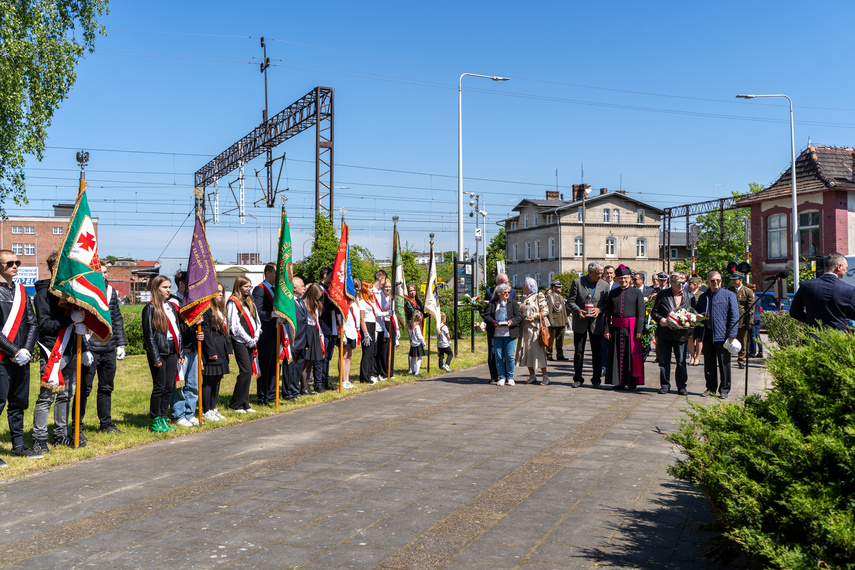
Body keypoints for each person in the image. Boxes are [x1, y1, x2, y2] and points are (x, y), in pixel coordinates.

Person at [34, 250, 90, 449]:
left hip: (71, 348)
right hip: (53, 351)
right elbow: (45, 325)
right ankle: (39, 439)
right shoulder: (43, 295)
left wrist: (83, 342)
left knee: (66, 395)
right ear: (53, 269)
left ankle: (60, 434)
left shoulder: (71, 293)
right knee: (47, 396)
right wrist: (69, 320)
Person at [0, 249, 39, 465]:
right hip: (2, 359)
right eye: (9, 263)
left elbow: (32, 323)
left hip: (22, 358)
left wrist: (26, 350)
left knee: (19, 403)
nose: (15, 266)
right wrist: (14, 351)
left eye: (18, 262)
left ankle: (18, 446)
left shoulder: (23, 292)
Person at [78, 267, 126, 433]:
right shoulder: (85, 290)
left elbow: (116, 318)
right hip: (90, 348)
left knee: (106, 387)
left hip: (109, 347)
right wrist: (84, 348)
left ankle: (106, 424)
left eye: (105, 272)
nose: (103, 275)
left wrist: (121, 343)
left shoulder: (111, 291)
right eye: (100, 272)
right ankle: (77, 425)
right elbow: (80, 321)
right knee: (85, 389)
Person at [142, 275, 183, 432]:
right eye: (164, 287)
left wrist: (180, 353)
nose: (168, 290)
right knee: (159, 386)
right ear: (156, 288)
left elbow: (177, 331)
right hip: (159, 350)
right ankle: (155, 419)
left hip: (172, 349)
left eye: (169, 287)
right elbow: (148, 335)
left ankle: (164, 418)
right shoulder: (150, 308)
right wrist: (155, 356)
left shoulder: (171, 307)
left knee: (169, 386)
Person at [695, 271, 739, 399]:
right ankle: (710, 388)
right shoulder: (703, 297)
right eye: (713, 281)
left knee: (724, 363)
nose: (716, 283)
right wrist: (698, 334)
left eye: (718, 280)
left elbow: (734, 316)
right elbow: (698, 316)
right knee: (709, 363)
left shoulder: (729, 295)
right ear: (708, 282)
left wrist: (732, 334)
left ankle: (724, 389)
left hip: (722, 335)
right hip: (707, 333)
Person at [567, 261, 610, 388]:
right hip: (580, 322)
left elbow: (607, 303)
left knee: (597, 352)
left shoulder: (604, 285)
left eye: (601, 273)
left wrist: (600, 309)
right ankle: (578, 378)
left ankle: (596, 379)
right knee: (579, 352)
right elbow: (570, 301)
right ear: (590, 273)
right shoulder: (577, 282)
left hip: (596, 323)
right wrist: (577, 310)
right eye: (597, 274)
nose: (600, 276)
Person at [603, 266, 646, 390]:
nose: (623, 281)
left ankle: (632, 382)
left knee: (631, 356)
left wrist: (639, 330)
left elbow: (641, 313)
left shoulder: (636, 292)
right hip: (616, 329)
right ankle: (618, 382)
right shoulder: (613, 293)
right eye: (621, 278)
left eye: (625, 278)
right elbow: (608, 314)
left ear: (630, 279)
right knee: (616, 355)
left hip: (631, 329)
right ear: (617, 279)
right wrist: (606, 329)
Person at [169, 271, 202, 427]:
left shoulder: (192, 303)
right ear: (181, 284)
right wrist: (192, 320)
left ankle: (190, 412)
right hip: (181, 349)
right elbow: (176, 328)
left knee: (193, 383)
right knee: (180, 384)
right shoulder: (173, 303)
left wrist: (198, 333)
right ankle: (179, 413)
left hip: (193, 347)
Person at [791, 252, 855, 332]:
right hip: (837, 339)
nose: (846, 271)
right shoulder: (849, 290)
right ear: (839, 267)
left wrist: (811, 322)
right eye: (846, 267)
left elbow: (794, 312)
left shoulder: (806, 285)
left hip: (812, 337)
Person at [651, 272, 692, 395]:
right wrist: (660, 319)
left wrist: (689, 321)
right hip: (665, 333)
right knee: (664, 360)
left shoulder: (689, 295)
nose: (681, 285)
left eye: (683, 283)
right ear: (671, 283)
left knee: (681, 361)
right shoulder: (663, 294)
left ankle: (681, 386)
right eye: (678, 283)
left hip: (681, 334)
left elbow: (693, 313)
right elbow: (654, 312)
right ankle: (665, 385)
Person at [227, 276, 261, 413]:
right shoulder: (232, 302)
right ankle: (235, 404)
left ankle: (245, 403)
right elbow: (234, 326)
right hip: (240, 341)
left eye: (250, 286)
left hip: (252, 340)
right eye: (246, 286)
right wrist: (248, 339)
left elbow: (257, 320)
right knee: (245, 371)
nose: (248, 289)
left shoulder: (250, 300)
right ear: (239, 286)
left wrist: (257, 335)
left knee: (249, 372)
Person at [200, 283, 231, 421]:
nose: (220, 294)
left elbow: (226, 332)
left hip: (221, 348)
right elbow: (205, 331)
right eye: (217, 292)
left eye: (222, 292)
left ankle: (213, 407)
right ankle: (206, 410)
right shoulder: (207, 309)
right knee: (209, 380)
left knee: (218, 379)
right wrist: (210, 350)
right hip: (212, 348)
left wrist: (228, 348)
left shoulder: (221, 309)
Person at [483, 284, 522, 386]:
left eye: (508, 292)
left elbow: (518, 316)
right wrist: (493, 322)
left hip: (510, 333)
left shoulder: (512, 303)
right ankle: (501, 377)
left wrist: (511, 322)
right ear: (499, 293)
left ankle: (510, 377)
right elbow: (486, 316)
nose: (507, 294)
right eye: (505, 292)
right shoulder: (492, 303)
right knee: (498, 356)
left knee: (509, 356)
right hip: (497, 334)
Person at [252, 263, 279, 406]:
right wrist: (273, 314)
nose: (278, 276)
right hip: (265, 335)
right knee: (265, 366)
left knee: (275, 366)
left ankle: (272, 395)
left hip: (276, 333)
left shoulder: (277, 290)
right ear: (268, 273)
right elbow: (257, 312)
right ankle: (262, 397)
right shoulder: (260, 290)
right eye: (275, 273)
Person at [516, 277, 549, 385]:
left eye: (524, 284)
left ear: (529, 286)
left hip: (535, 328)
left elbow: (545, 311)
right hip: (525, 328)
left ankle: (545, 377)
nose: (522, 286)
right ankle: (532, 376)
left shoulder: (538, 296)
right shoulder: (524, 298)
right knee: (526, 352)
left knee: (537, 353)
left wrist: (534, 316)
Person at [314, 267, 338, 391]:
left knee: (328, 357)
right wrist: (334, 304)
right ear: (324, 275)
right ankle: (318, 382)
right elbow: (320, 310)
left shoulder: (331, 290)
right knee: (321, 357)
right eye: (330, 275)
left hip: (332, 327)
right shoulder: (318, 290)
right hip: (323, 327)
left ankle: (326, 381)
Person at [300, 283, 326, 394]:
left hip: (314, 330)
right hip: (307, 330)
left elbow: (317, 321)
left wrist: (320, 335)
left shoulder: (315, 304)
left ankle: (306, 387)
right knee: (306, 361)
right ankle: (303, 388)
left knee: (311, 360)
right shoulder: (303, 302)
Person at [287, 277, 307, 400]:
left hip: (302, 340)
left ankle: (295, 390)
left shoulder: (301, 302)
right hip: (293, 340)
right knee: (291, 368)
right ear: (294, 288)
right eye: (302, 286)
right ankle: (288, 392)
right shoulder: (290, 303)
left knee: (299, 367)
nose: (304, 288)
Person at [728, 272, 753, 369]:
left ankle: (741, 360)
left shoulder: (747, 291)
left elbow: (751, 308)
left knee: (743, 340)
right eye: (732, 279)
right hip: (731, 320)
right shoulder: (730, 290)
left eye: (735, 279)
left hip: (742, 320)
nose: (733, 281)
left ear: (740, 280)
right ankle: (728, 358)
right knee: (729, 340)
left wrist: (749, 321)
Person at [357, 280, 379, 384]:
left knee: (372, 352)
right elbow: (362, 319)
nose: (372, 290)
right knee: (367, 352)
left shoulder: (371, 301)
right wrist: (365, 333)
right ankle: (364, 377)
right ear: (365, 289)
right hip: (366, 326)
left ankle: (370, 374)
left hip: (372, 325)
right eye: (369, 288)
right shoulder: (362, 301)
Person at [339, 286, 360, 389]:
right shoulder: (344, 303)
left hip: (352, 331)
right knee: (343, 355)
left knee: (349, 356)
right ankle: (342, 380)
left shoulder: (355, 303)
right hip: (345, 331)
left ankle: (347, 379)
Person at [372, 270, 391, 380]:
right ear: (381, 279)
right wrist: (387, 313)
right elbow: (376, 311)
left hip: (380, 324)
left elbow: (384, 306)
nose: (384, 284)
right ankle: (373, 373)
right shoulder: (372, 291)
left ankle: (378, 372)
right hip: (373, 324)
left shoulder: (380, 292)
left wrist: (391, 301)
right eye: (384, 281)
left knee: (379, 350)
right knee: (373, 351)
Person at [545, 280, 568, 361]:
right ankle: (549, 354)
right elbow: (549, 310)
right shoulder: (550, 297)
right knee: (551, 339)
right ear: (554, 288)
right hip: (554, 321)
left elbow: (564, 310)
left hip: (561, 321)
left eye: (560, 286)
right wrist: (551, 321)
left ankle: (560, 354)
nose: (560, 288)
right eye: (558, 287)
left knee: (560, 339)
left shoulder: (560, 297)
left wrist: (566, 321)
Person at [687, 276, 704, 366]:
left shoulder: (701, 295)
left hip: (698, 320)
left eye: (691, 284)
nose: (689, 285)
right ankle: (692, 357)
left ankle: (697, 357)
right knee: (690, 338)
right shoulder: (686, 293)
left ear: (696, 285)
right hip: (689, 320)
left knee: (698, 339)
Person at [408, 311, 426, 378]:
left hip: (413, 343)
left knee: (413, 358)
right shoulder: (417, 327)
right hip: (418, 344)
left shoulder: (411, 325)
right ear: (420, 319)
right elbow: (419, 336)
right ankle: (417, 372)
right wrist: (423, 342)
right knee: (420, 358)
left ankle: (413, 371)